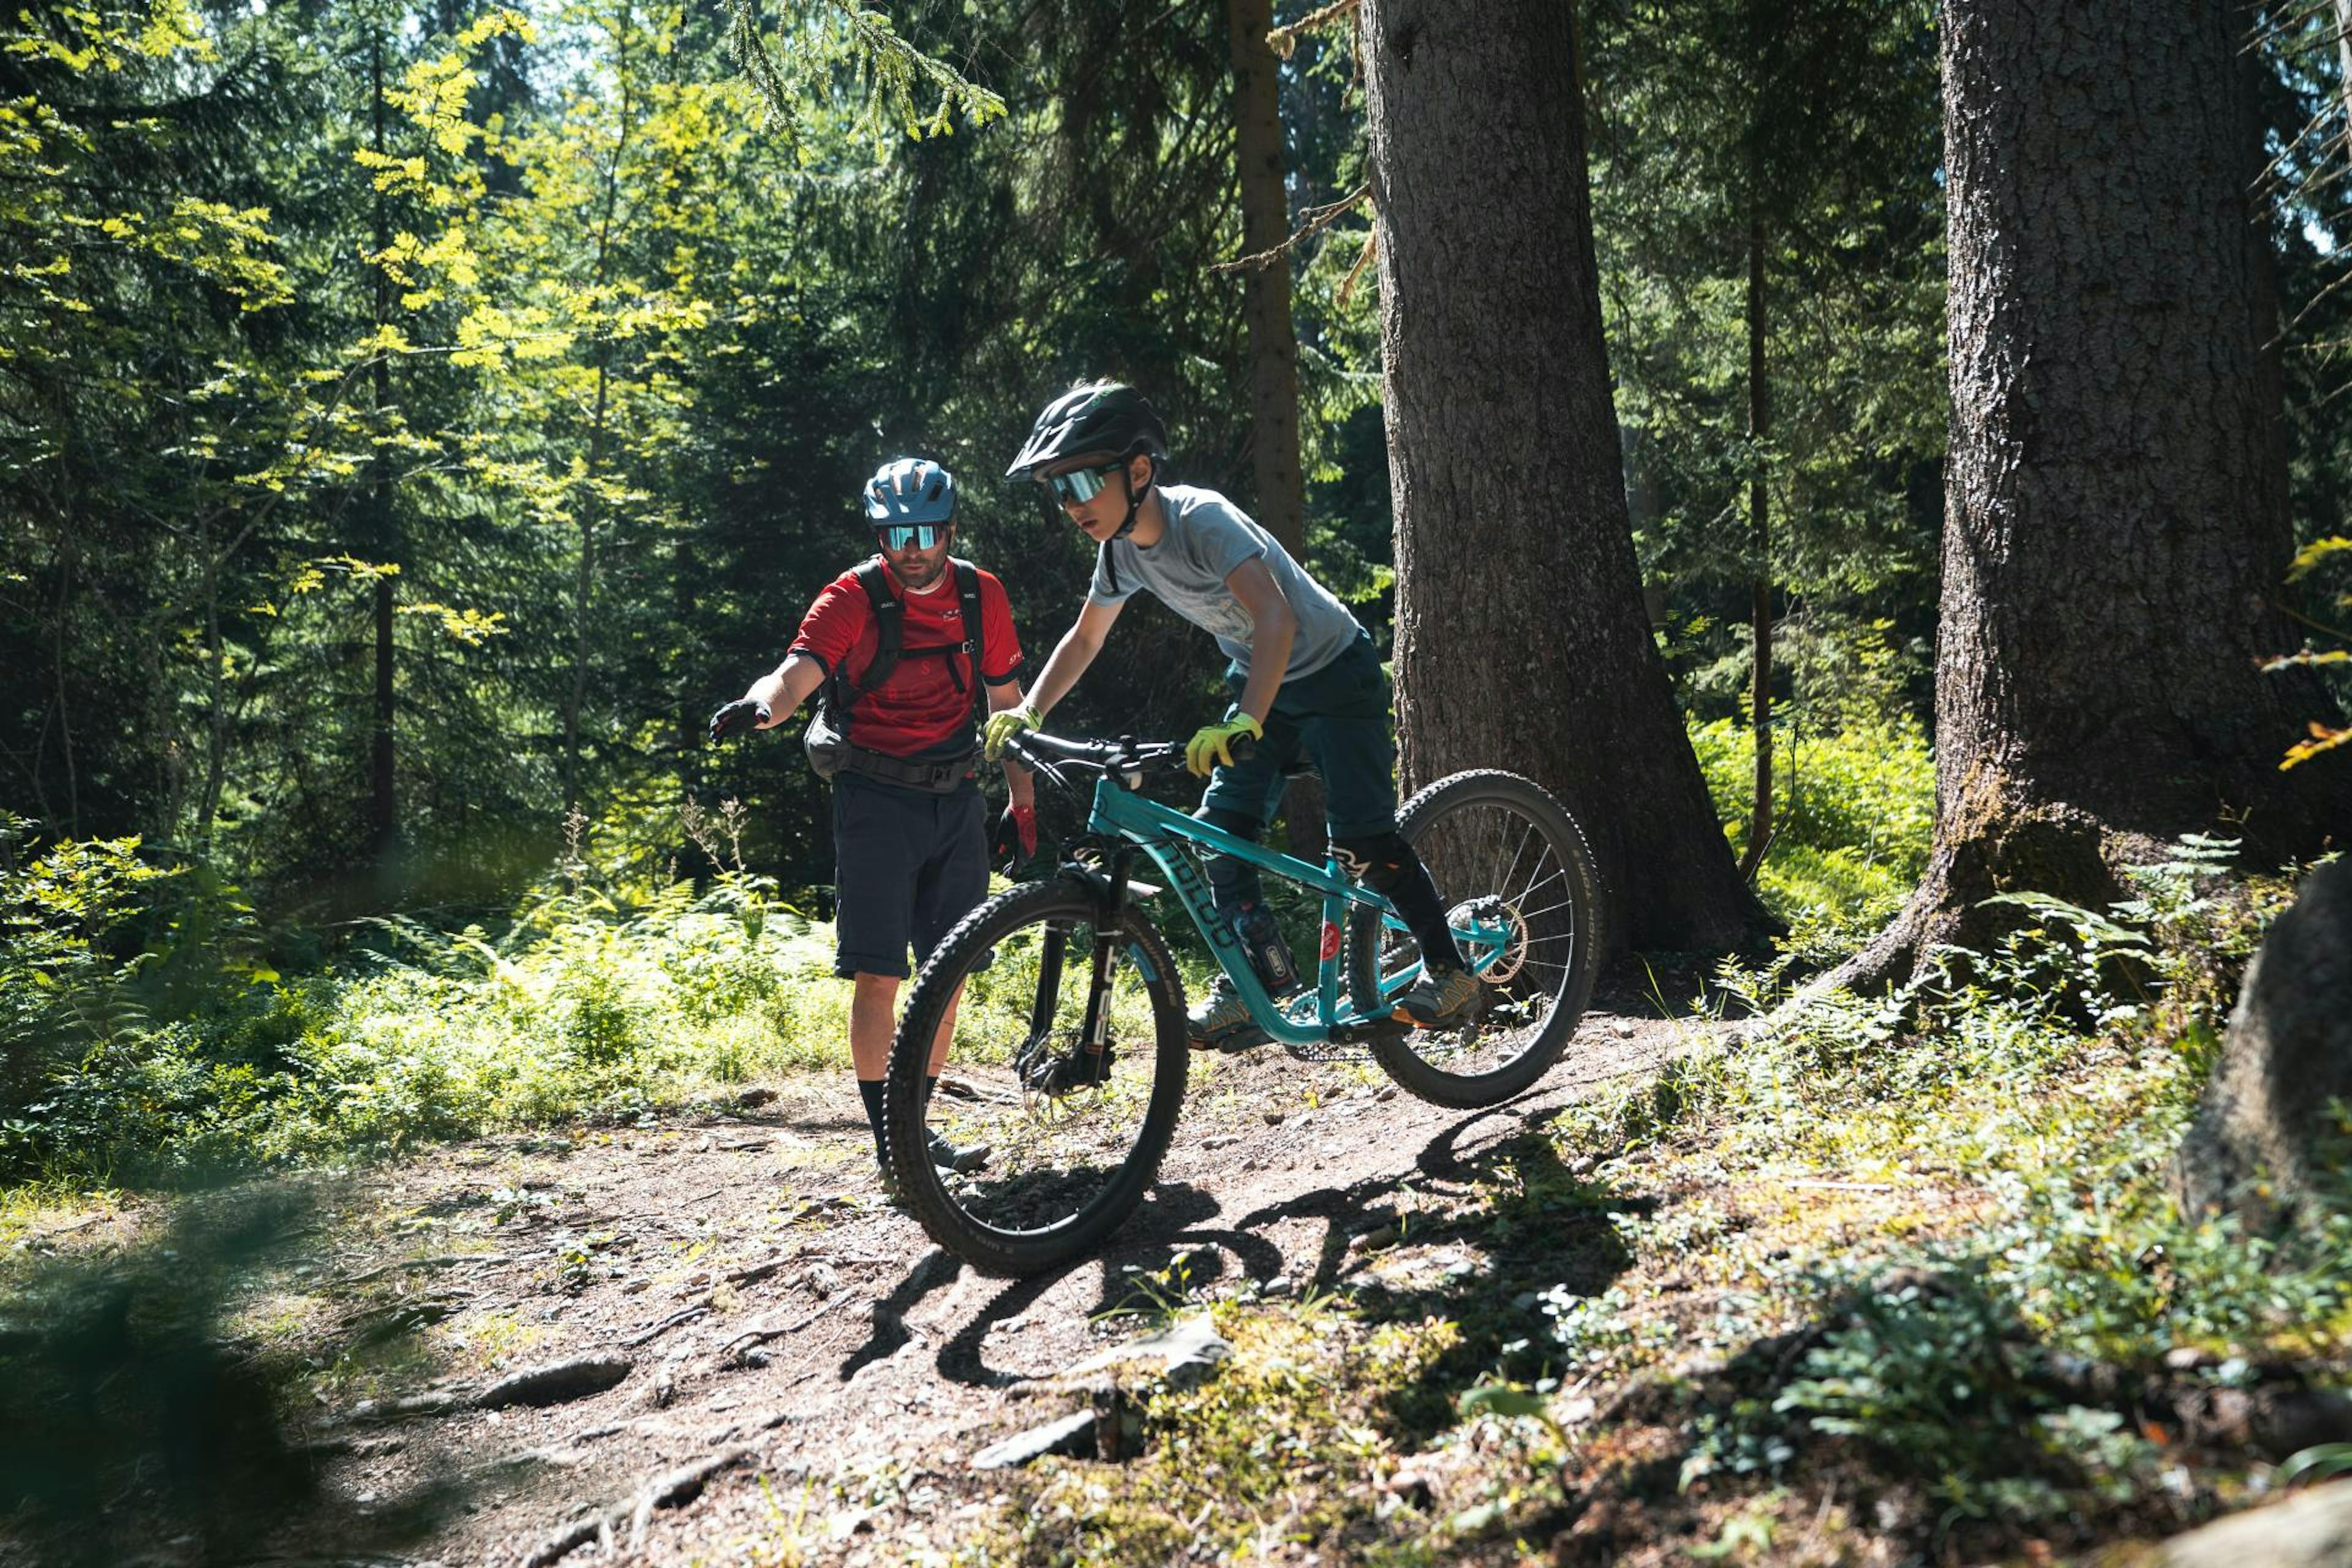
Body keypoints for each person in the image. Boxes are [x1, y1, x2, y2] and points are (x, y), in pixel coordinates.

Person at [986, 382, 1478, 1051]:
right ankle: (1261, 982)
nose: (1071, 505)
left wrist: (1245, 720)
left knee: (1363, 839)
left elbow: (1275, 615)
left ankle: (1450, 968)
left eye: (1080, 482)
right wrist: (1029, 710)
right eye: (1058, 490)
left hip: (1333, 673)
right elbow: (1085, 637)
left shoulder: (1203, 521)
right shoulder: (1120, 551)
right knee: (1221, 836)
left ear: (1137, 472)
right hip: (1261, 681)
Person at [709, 456, 1036, 1199]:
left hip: (955, 801)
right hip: (874, 801)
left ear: (949, 530)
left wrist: (1023, 806)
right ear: (879, 536)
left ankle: (914, 1127)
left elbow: (1008, 705)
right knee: (879, 973)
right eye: (896, 534)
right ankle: (893, 1145)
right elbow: (795, 673)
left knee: (949, 977)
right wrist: (760, 706)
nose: (912, 548)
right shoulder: (852, 597)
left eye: (925, 532)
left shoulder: (981, 595)